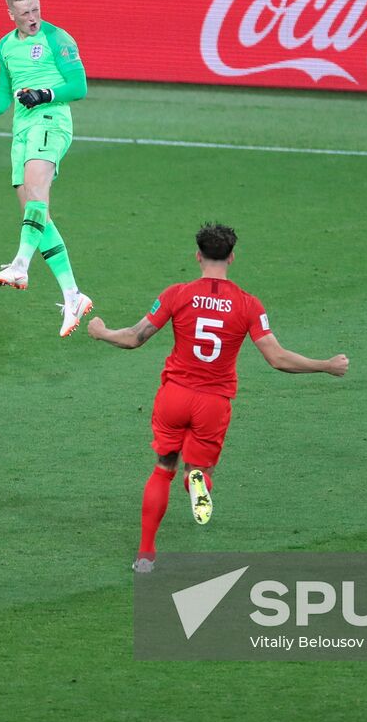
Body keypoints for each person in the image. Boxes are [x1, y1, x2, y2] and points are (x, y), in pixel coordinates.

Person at [87, 223, 349, 572]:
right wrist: (325, 365)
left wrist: (101, 331)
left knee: (163, 468)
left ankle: (146, 556)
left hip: (174, 396)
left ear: (198, 256)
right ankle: (199, 481)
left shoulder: (177, 294)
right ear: (232, 257)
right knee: (200, 468)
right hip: (213, 402)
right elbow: (277, 358)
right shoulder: (248, 304)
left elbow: (135, 337)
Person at [0, 0, 93, 338]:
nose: (33, 17)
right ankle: (73, 295)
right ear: (11, 14)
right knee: (35, 214)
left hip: (51, 121)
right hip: (21, 131)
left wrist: (45, 93)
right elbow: (5, 91)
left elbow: (80, 86)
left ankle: (21, 265)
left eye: (36, 9)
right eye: (24, 13)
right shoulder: (6, 46)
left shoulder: (59, 39)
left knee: (37, 195)